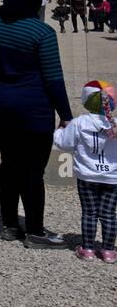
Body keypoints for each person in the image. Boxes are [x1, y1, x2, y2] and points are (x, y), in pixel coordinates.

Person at [0, 0, 71, 247]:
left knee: (9, 163)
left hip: (2, 102)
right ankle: (36, 231)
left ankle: (8, 225)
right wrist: (65, 115)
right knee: (32, 170)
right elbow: (54, 79)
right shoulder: (42, 33)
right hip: (34, 108)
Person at [54, 81, 117, 262]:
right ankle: (108, 251)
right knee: (109, 214)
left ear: (86, 101)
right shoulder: (114, 124)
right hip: (112, 177)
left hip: (87, 176)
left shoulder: (79, 122)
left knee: (89, 212)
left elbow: (63, 143)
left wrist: (60, 129)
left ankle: (88, 249)